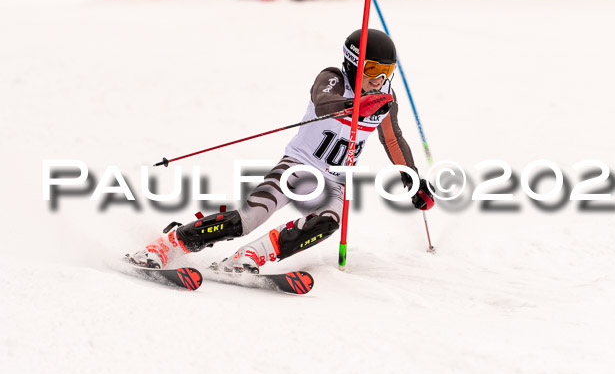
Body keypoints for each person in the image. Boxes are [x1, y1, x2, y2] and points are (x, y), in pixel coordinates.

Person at [127, 29, 434, 273]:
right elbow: (324, 102)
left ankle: (251, 256)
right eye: (372, 69)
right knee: (248, 219)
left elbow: (393, 140)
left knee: (327, 222)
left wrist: (413, 180)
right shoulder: (333, 79)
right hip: (297, 167)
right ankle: (170, 242)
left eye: (386, 71)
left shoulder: (384, 98)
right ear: (353, 62)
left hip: (335, 183)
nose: (378, 79)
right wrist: (354, 106)